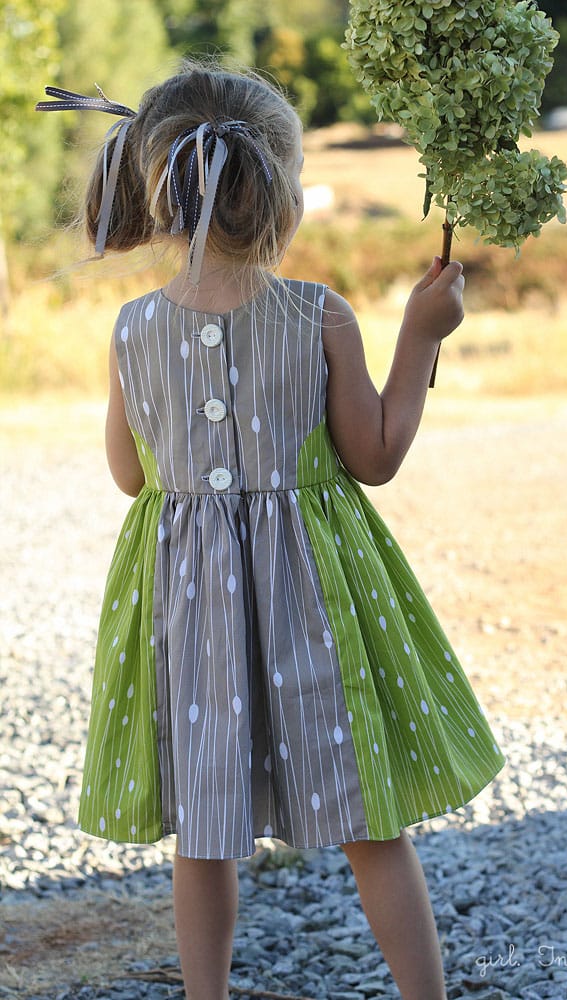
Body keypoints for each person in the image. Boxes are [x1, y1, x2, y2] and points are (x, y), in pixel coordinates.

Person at [37, 64, 505, 1000]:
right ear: (284, 189)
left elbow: (132, 478)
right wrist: (423, 335)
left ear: (154, 188)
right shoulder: (316, 311)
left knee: (205, 829)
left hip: (190, 614)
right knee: (369, 819)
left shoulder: (134, 330)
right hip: (316, 604)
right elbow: (374, 456)